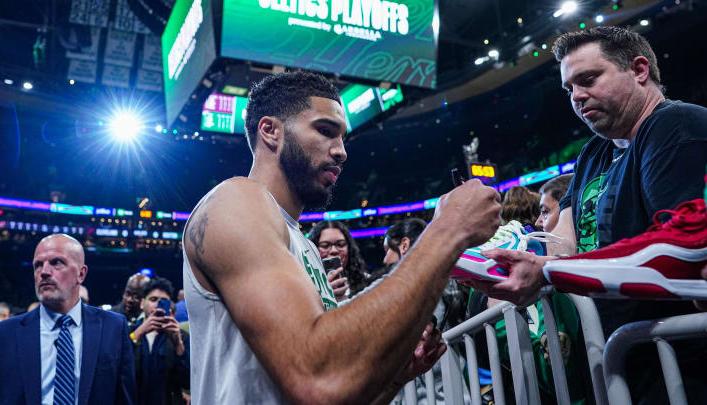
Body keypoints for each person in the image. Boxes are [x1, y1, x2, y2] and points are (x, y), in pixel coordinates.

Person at [182, 71, 502, 404]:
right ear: (270, 131)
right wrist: (447, 230)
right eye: (325, 130)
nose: (341, 151)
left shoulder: (301, 242)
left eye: (344, 138)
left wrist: (393, 380)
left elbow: (329, 392)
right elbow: (316, 377)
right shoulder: (234, 201)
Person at [473, 26, 707, 403]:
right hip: (621, 353)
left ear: (640, 70)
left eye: (588, 80)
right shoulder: (593, 153)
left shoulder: (675, 126)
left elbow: (678, 252)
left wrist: (548, 272)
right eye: (569, 89)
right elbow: (565, 242)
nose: (577, 96)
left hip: (678, 358)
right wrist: (510, 259)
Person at [0, 233, 136, 405]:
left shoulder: (114, 328)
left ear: (81, 274)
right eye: (38, 265)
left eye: (56, 262)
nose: (44, 272)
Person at [131, 277, 189, 405]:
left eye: (164, 301)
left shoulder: (181, 336)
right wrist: (139, 333)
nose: (158, 304)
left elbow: (188, 382)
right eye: (153, 299)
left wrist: (178, 345)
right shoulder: (128, 333)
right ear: (142, 303)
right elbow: (117, 370)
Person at [308, 220, 368, 300]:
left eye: (341, 244)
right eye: (325, 246)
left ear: (349, 248)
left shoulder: (368, 281)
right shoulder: (304, 286)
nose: (334, 250)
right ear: (313, 249)